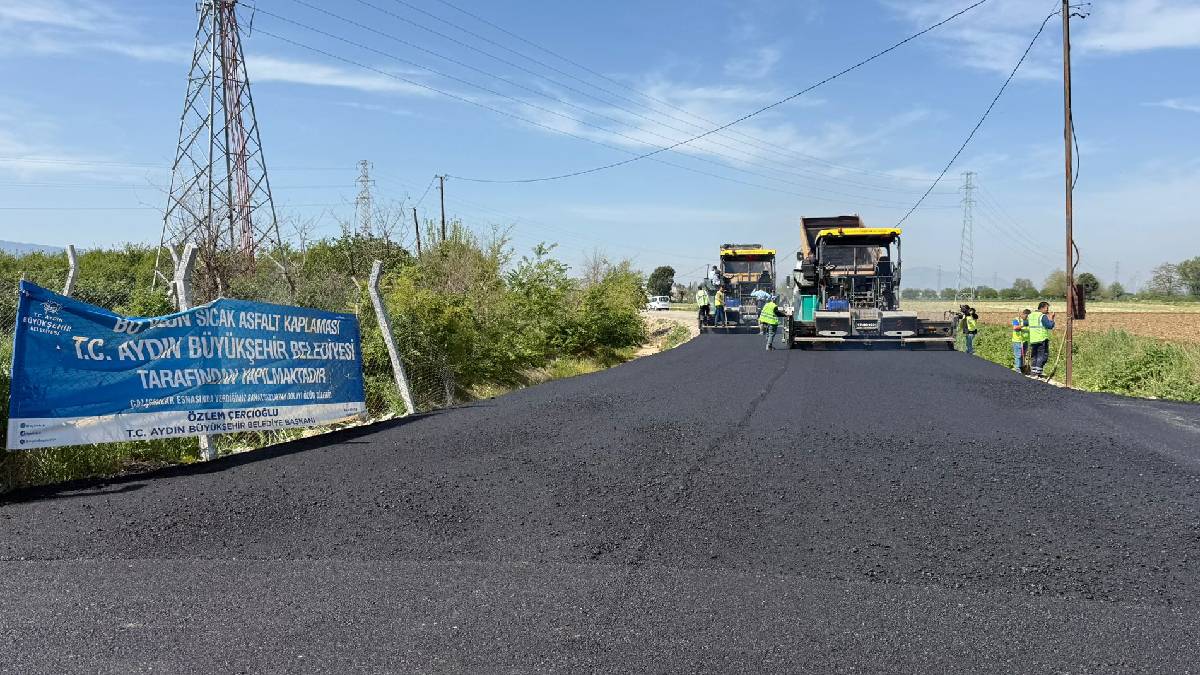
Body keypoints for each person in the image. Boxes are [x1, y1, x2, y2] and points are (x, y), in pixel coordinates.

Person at [1027, 301, 1056, 377]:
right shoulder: (1042, 316)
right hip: (1042, 339)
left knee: (1034, 356)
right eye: (1047, 308)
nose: (1047, 310)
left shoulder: (1030, 315)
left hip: (1033, 339)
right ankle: (1038, 373)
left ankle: (1033, 372)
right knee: (1042, 356)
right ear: (1042, 308)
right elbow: (1049, 326)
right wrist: (1052, 319)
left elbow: (1026, 324)